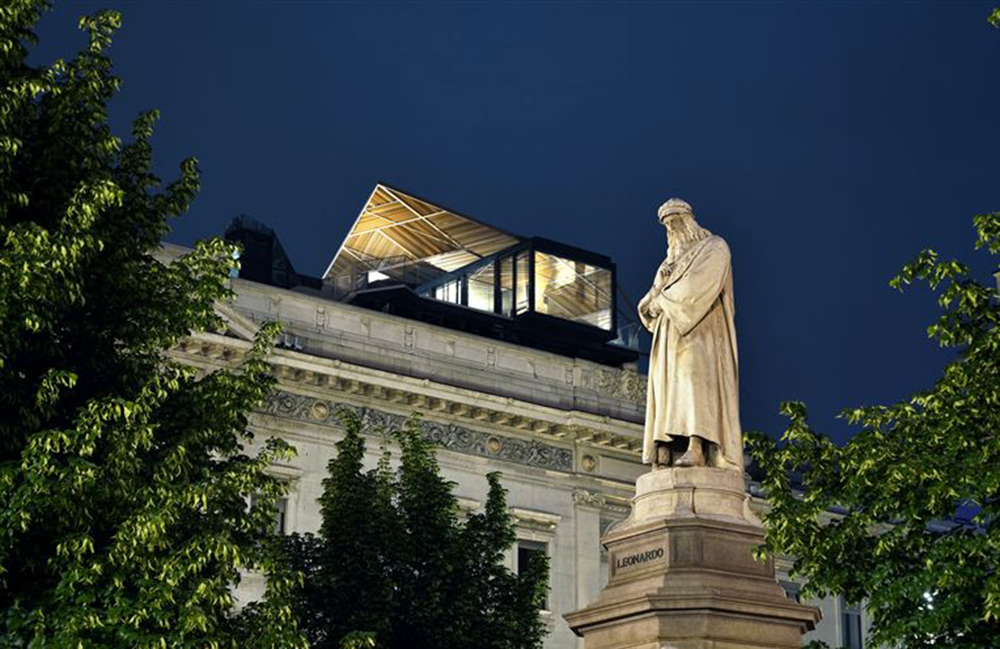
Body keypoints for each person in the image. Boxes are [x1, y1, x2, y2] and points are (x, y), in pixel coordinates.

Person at [637, 198, 742, 471]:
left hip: (701, 331)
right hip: (669, 338)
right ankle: (669, 448)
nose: (673, 230)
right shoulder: (668, 264)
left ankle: (697, 447)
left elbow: (698, 288)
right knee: (671, 390)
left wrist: (663, 300)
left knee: (696, 386)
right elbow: (650, 303)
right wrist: (656, 293)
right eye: (668, 227)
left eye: (676, 223)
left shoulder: (715, 247)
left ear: (689, 220)